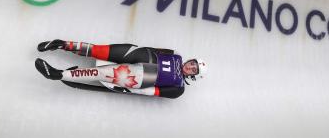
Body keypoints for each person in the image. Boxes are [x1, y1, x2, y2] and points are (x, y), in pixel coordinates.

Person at [35, 39, 207, 99]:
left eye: (193, 69)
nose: (190, 66)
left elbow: (154, 92)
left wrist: (130, 89)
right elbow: (156, 49)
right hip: (141, 54)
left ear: (193, 77)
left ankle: (58, 74)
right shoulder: (176, 54)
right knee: (98, 50)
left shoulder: (178, 89)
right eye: (193, 63)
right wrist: (136, 49)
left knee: (100, 73)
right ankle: (62, 44)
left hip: (143, 77)